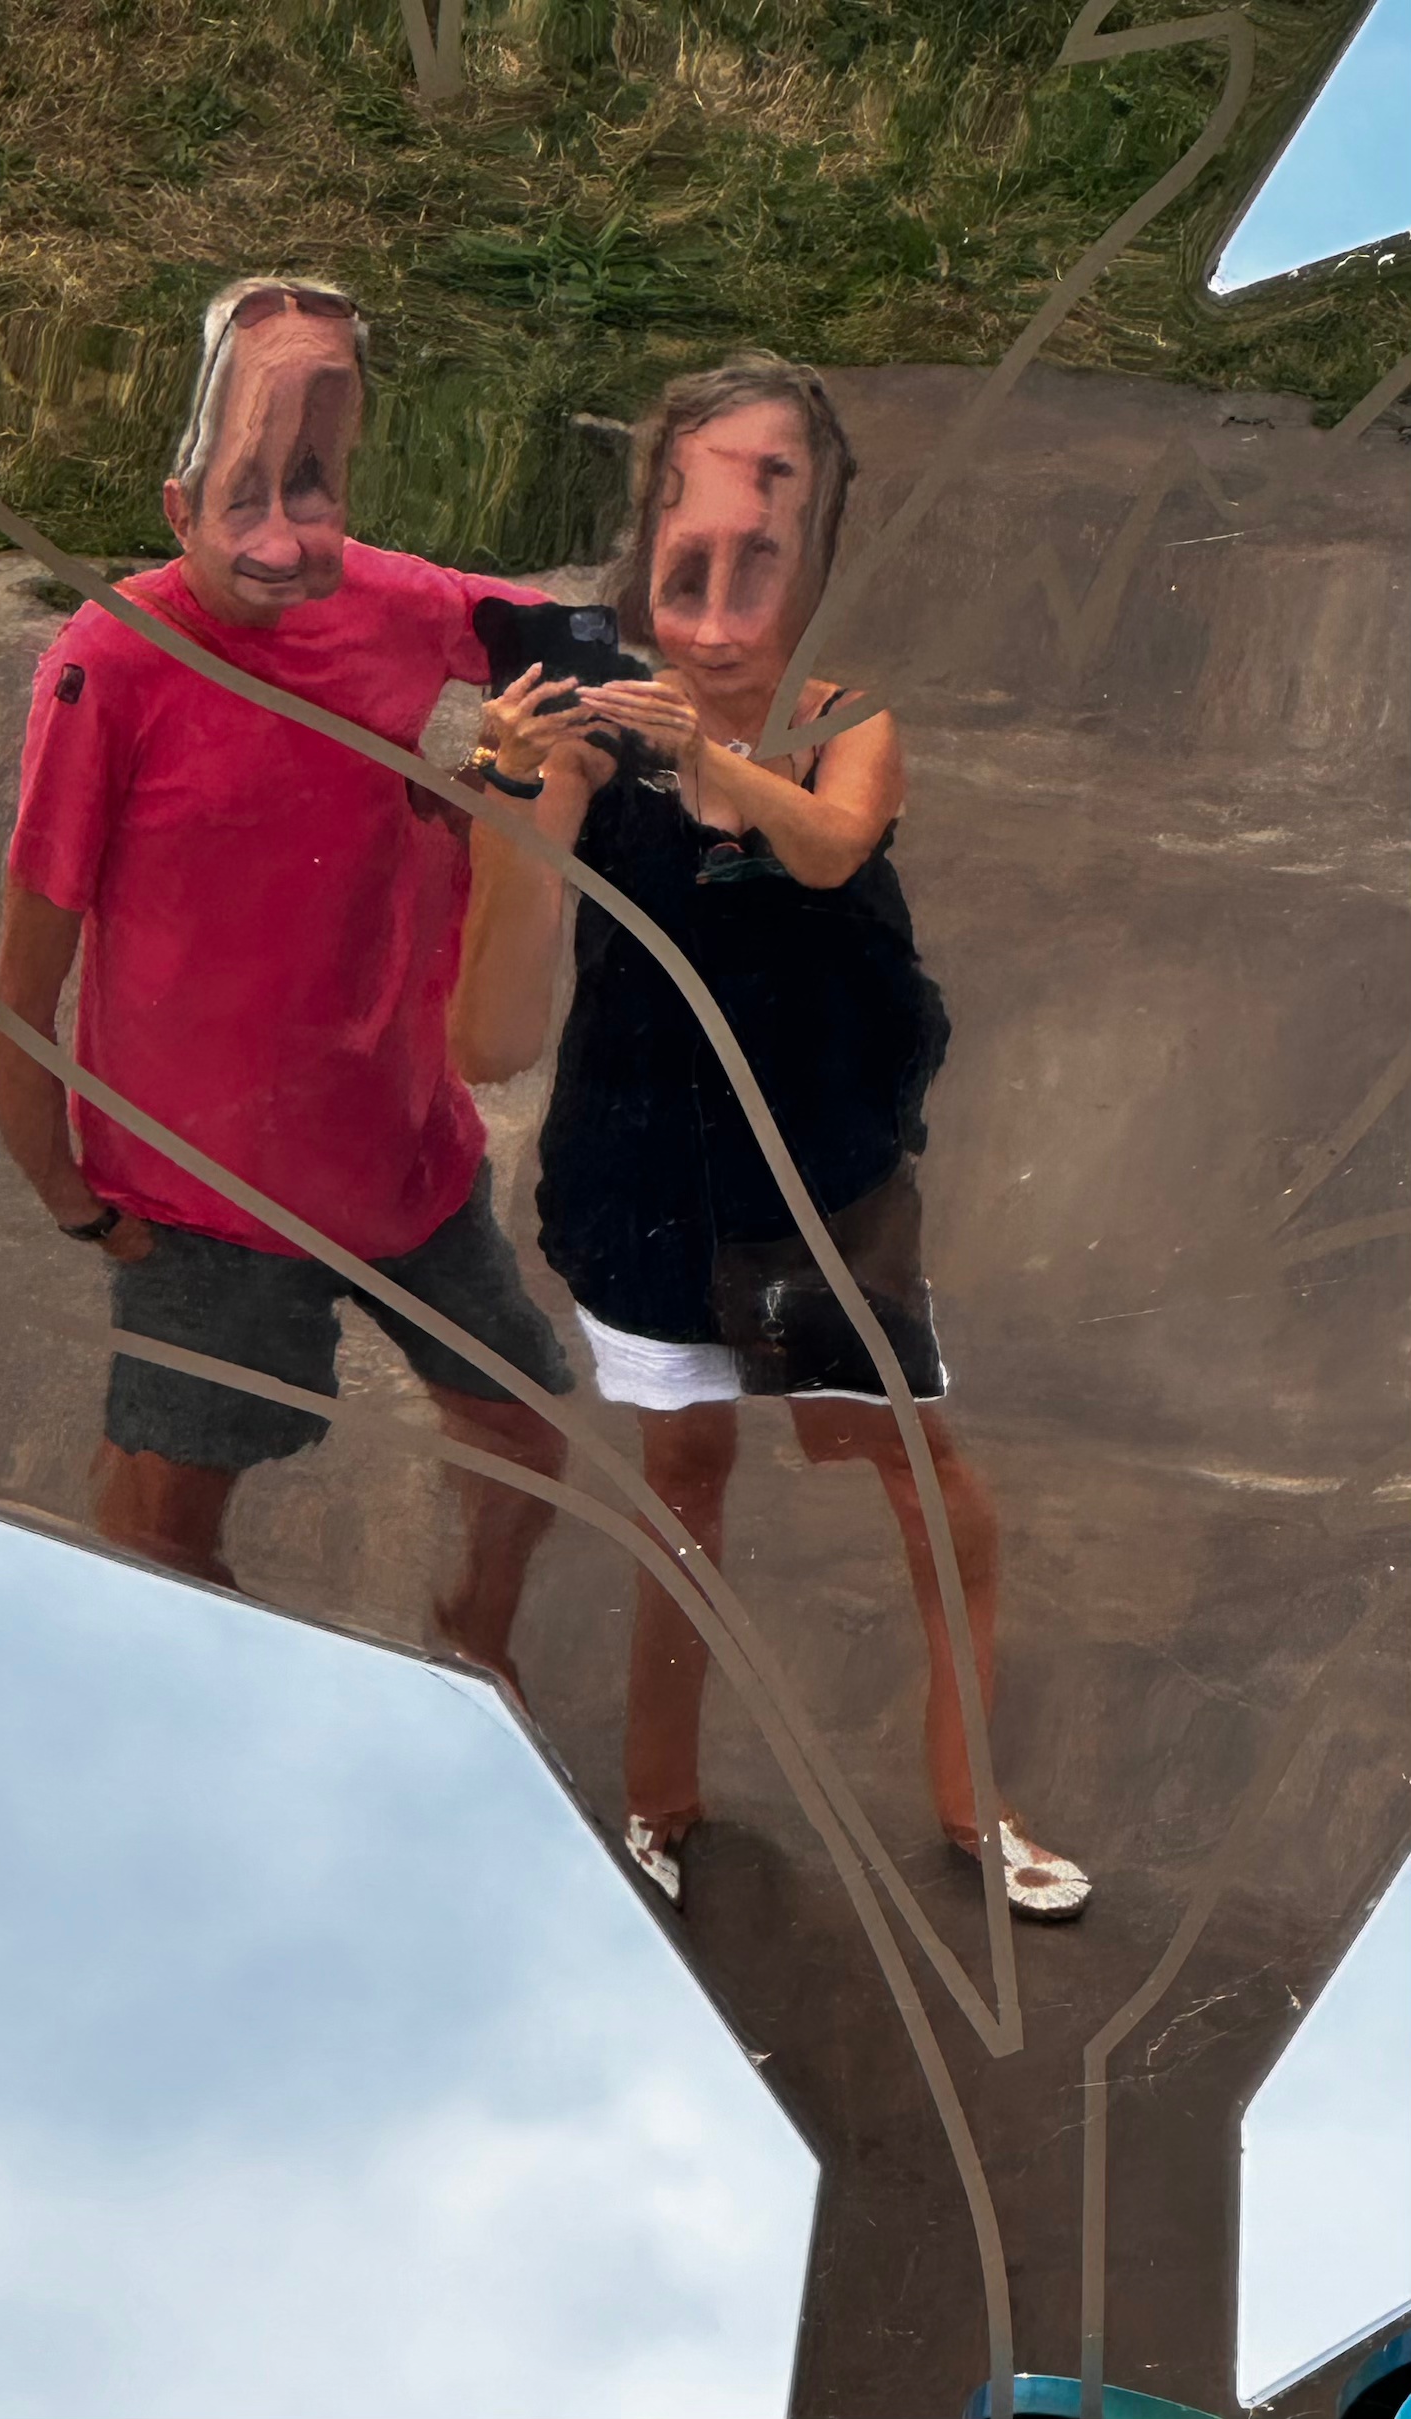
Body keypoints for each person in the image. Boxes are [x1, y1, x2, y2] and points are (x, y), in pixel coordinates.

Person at [450, 353, 1090, 1917]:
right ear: (638, 568)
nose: (723, 621)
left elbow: (824, 848)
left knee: (921, 1477)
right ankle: (658, 1800)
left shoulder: (842, 722)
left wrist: (696, 754)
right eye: (688, 571)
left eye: (763, 565)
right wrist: (508, 806)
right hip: (644, 1184)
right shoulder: (580, 753)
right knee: (682, 1482)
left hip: (821, 1190)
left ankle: (971, 1802)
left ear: (817, 569)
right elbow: (490, 1037)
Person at [0, 274, 593, 1695]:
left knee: (524, 1436)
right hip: (205, 1196)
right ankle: (159, 1718)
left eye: (309, 493)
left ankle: (475, 1658)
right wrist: (71, 1199)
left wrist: (639, 703)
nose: (279, 540)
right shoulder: (106, 669)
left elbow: (570, 642)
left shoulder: (386, 601)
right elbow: (26, 981)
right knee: (168, 1520)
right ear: (175, 506)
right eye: (240, 500)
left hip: (402, 1152)